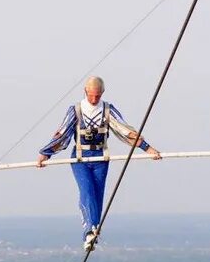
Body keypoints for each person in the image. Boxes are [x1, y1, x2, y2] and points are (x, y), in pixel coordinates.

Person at [37, 76, 161, 250]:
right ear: (85, 91)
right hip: (80, 157)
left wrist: (147, 148)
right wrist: (45, 154)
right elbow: (62, 133)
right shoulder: (76, 110)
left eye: (97, 96)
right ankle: (88, 230)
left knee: (98, 194)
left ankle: (94, 229)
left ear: (102, 93)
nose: (94, 99)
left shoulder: (108, 110)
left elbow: (125, 130)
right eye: (91, 95)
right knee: (86, 190)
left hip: (101, 157)